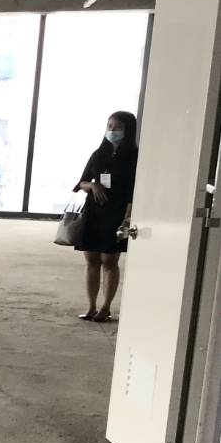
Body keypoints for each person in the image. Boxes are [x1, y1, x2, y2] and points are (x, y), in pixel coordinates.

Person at [72, 110, 139, 324]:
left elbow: (134, 190)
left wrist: (128, 217)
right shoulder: (98, 154)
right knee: (91, 259)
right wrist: (93, 185)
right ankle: (91, 306)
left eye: (117, 127)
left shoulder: (135, 157)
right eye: (109, 126)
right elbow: (81, 182)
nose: (112, 130)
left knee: (109, 260)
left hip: (117, 212)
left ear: (128, 130)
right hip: (94, 212)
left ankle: (106, 307)